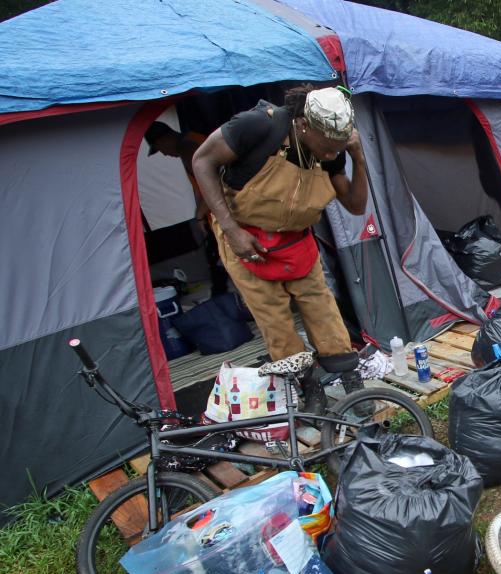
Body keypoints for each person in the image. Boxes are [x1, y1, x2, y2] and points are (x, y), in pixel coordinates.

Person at [191, 85, 369, 413]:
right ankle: (309, 386)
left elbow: (357, 206)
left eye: (338, 148)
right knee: (275, 320)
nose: (331, 155)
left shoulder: (334, 148)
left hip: (296, 240)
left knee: (323, 309)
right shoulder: (258, 125)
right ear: (303, 125)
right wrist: (231, 230)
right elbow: (202, 161)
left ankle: (351, 381)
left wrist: (356, 155)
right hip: (247, 240)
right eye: (327, 148)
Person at [145, 121, 229, 293]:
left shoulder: (187, 148)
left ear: (163, 140)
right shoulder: (194, 139)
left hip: (226, 210)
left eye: (160, 149)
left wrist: (199, 215)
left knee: (225, 260)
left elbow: (212, 182)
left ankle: (225, 298)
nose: (165, 154)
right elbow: (200, 189)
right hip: (221, 209)